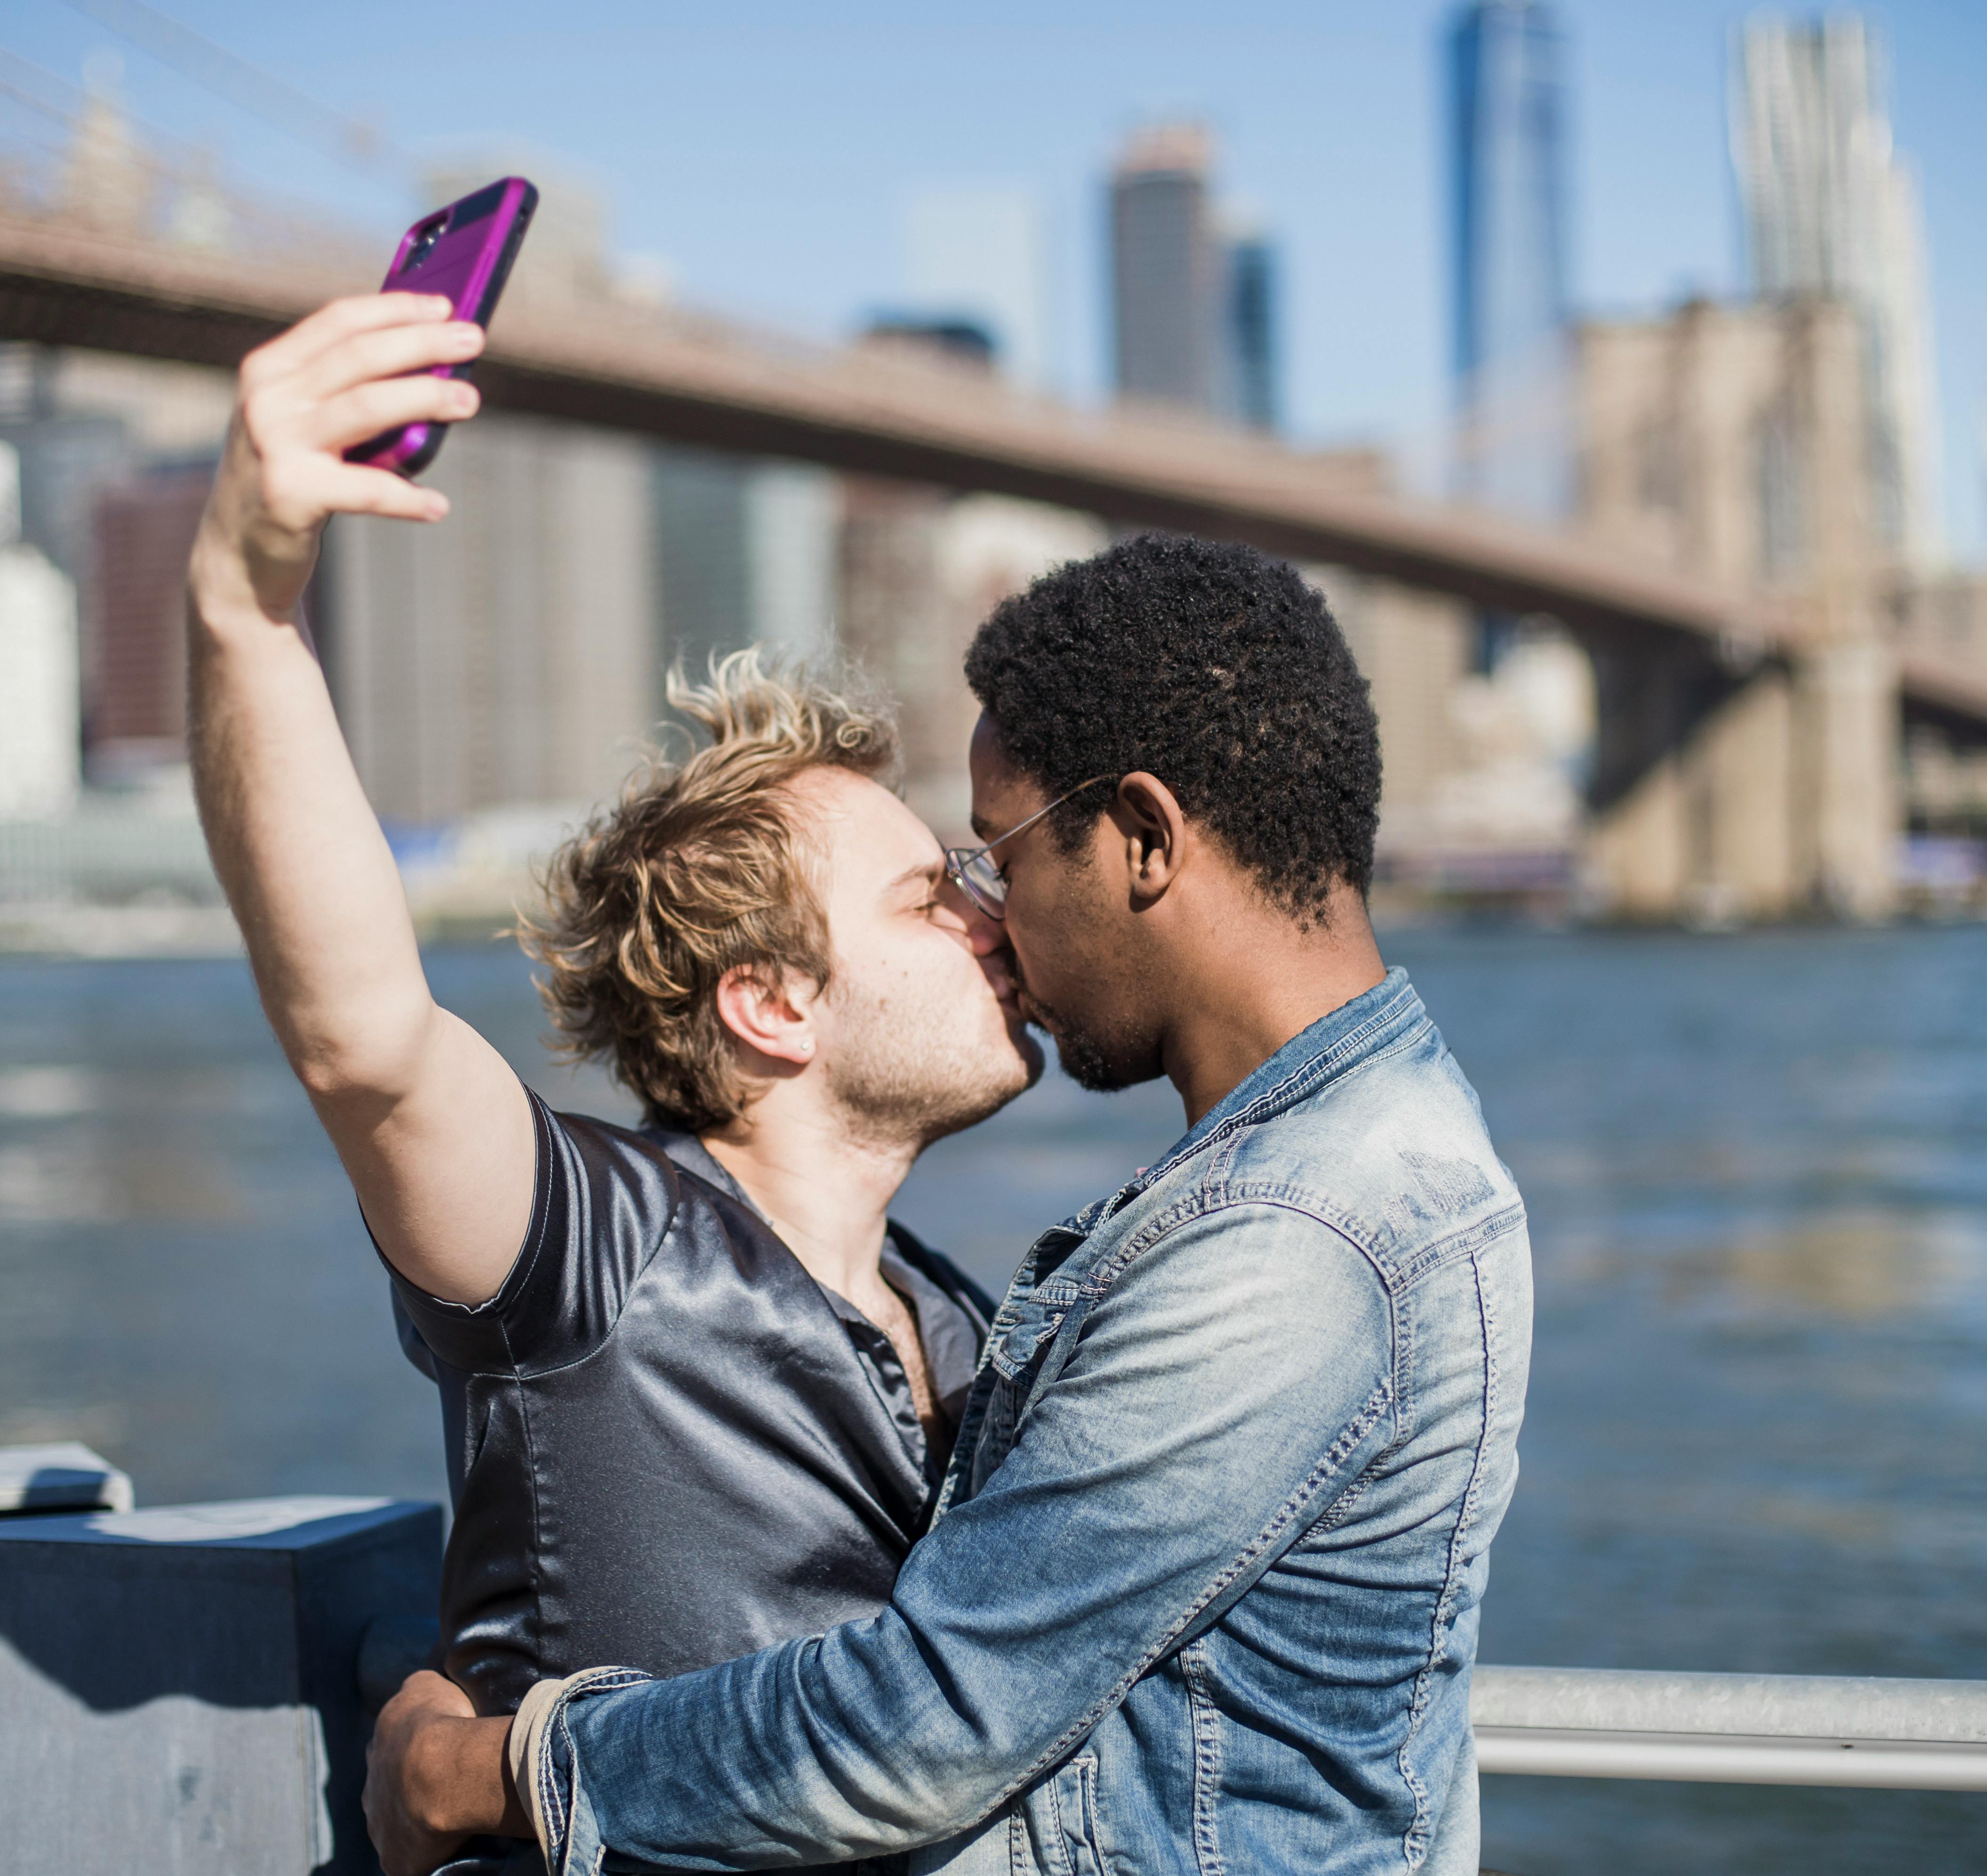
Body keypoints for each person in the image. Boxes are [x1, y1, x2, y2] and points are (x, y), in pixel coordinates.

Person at [370, 533, 1535, 1876]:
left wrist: (489, 1767)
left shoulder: (1297, 1240)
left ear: (1144, 841)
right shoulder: (1376, 1148)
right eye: (949, 885)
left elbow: (933, 1723)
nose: (994, 915)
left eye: (1000, 854)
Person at [184, 291, 1043, 1872]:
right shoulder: (591, 1246)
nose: (995, 920)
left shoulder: (969, 1322)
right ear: (772, 1003)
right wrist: (245, 608)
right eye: (932, 896)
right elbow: (363, 1040)